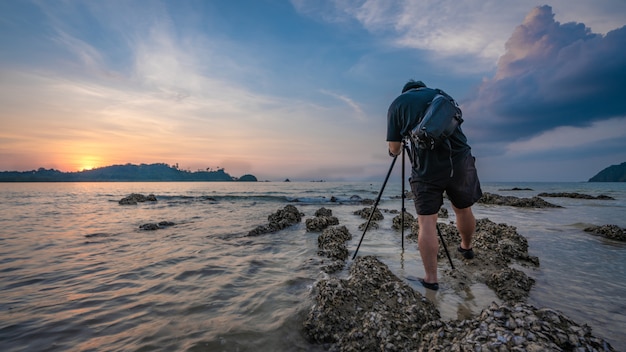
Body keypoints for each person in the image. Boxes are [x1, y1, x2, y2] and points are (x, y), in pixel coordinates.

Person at [386, 79, 482, 291]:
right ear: (422, 87)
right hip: (460, 159)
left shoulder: (397, 104)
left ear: (405, 92)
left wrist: (398, 146)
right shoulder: (441, 94)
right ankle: (466, 247)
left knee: (427, 222)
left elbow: (394, 149)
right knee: (463, 209)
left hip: (427, 167)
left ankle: (431, 278)